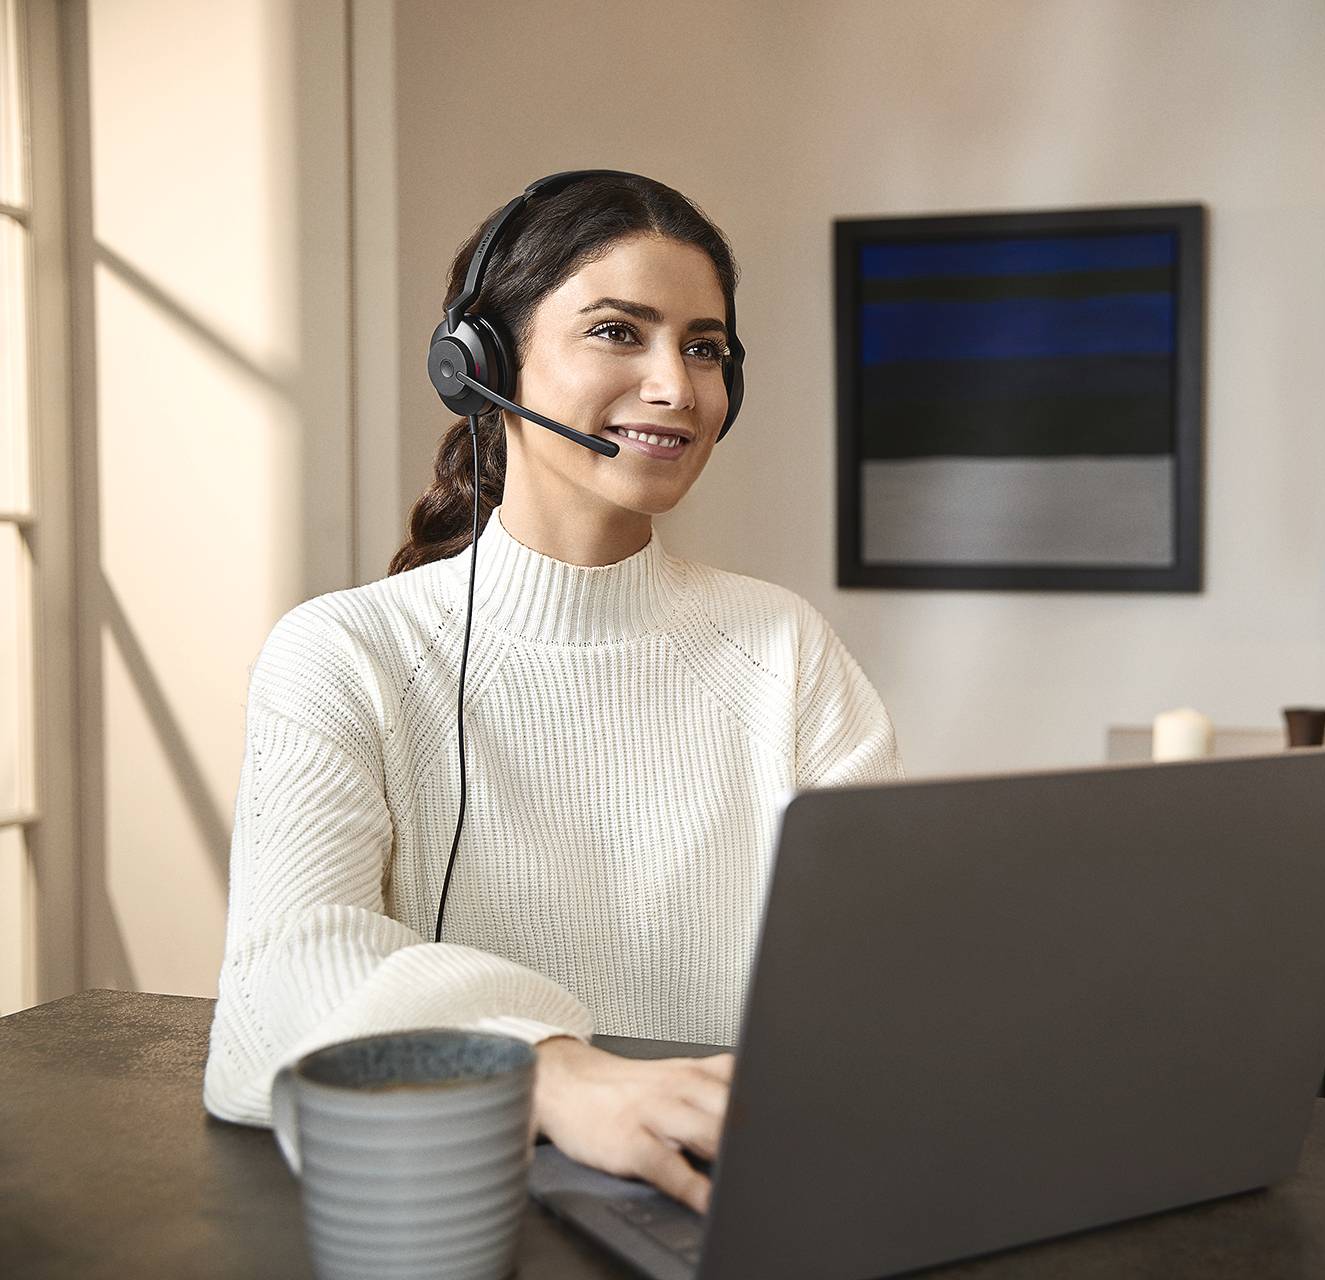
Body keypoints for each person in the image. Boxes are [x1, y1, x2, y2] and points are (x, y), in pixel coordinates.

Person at [202, 172, 902, 1214]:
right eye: (620, 331)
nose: (676, 384)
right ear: (481, 364)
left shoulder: (785, 649)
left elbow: (887, 980)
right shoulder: (346, 653)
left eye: (705, 347)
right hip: (472, 1209)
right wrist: (557, 1067)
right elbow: (273, 991)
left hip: (732, 1205)